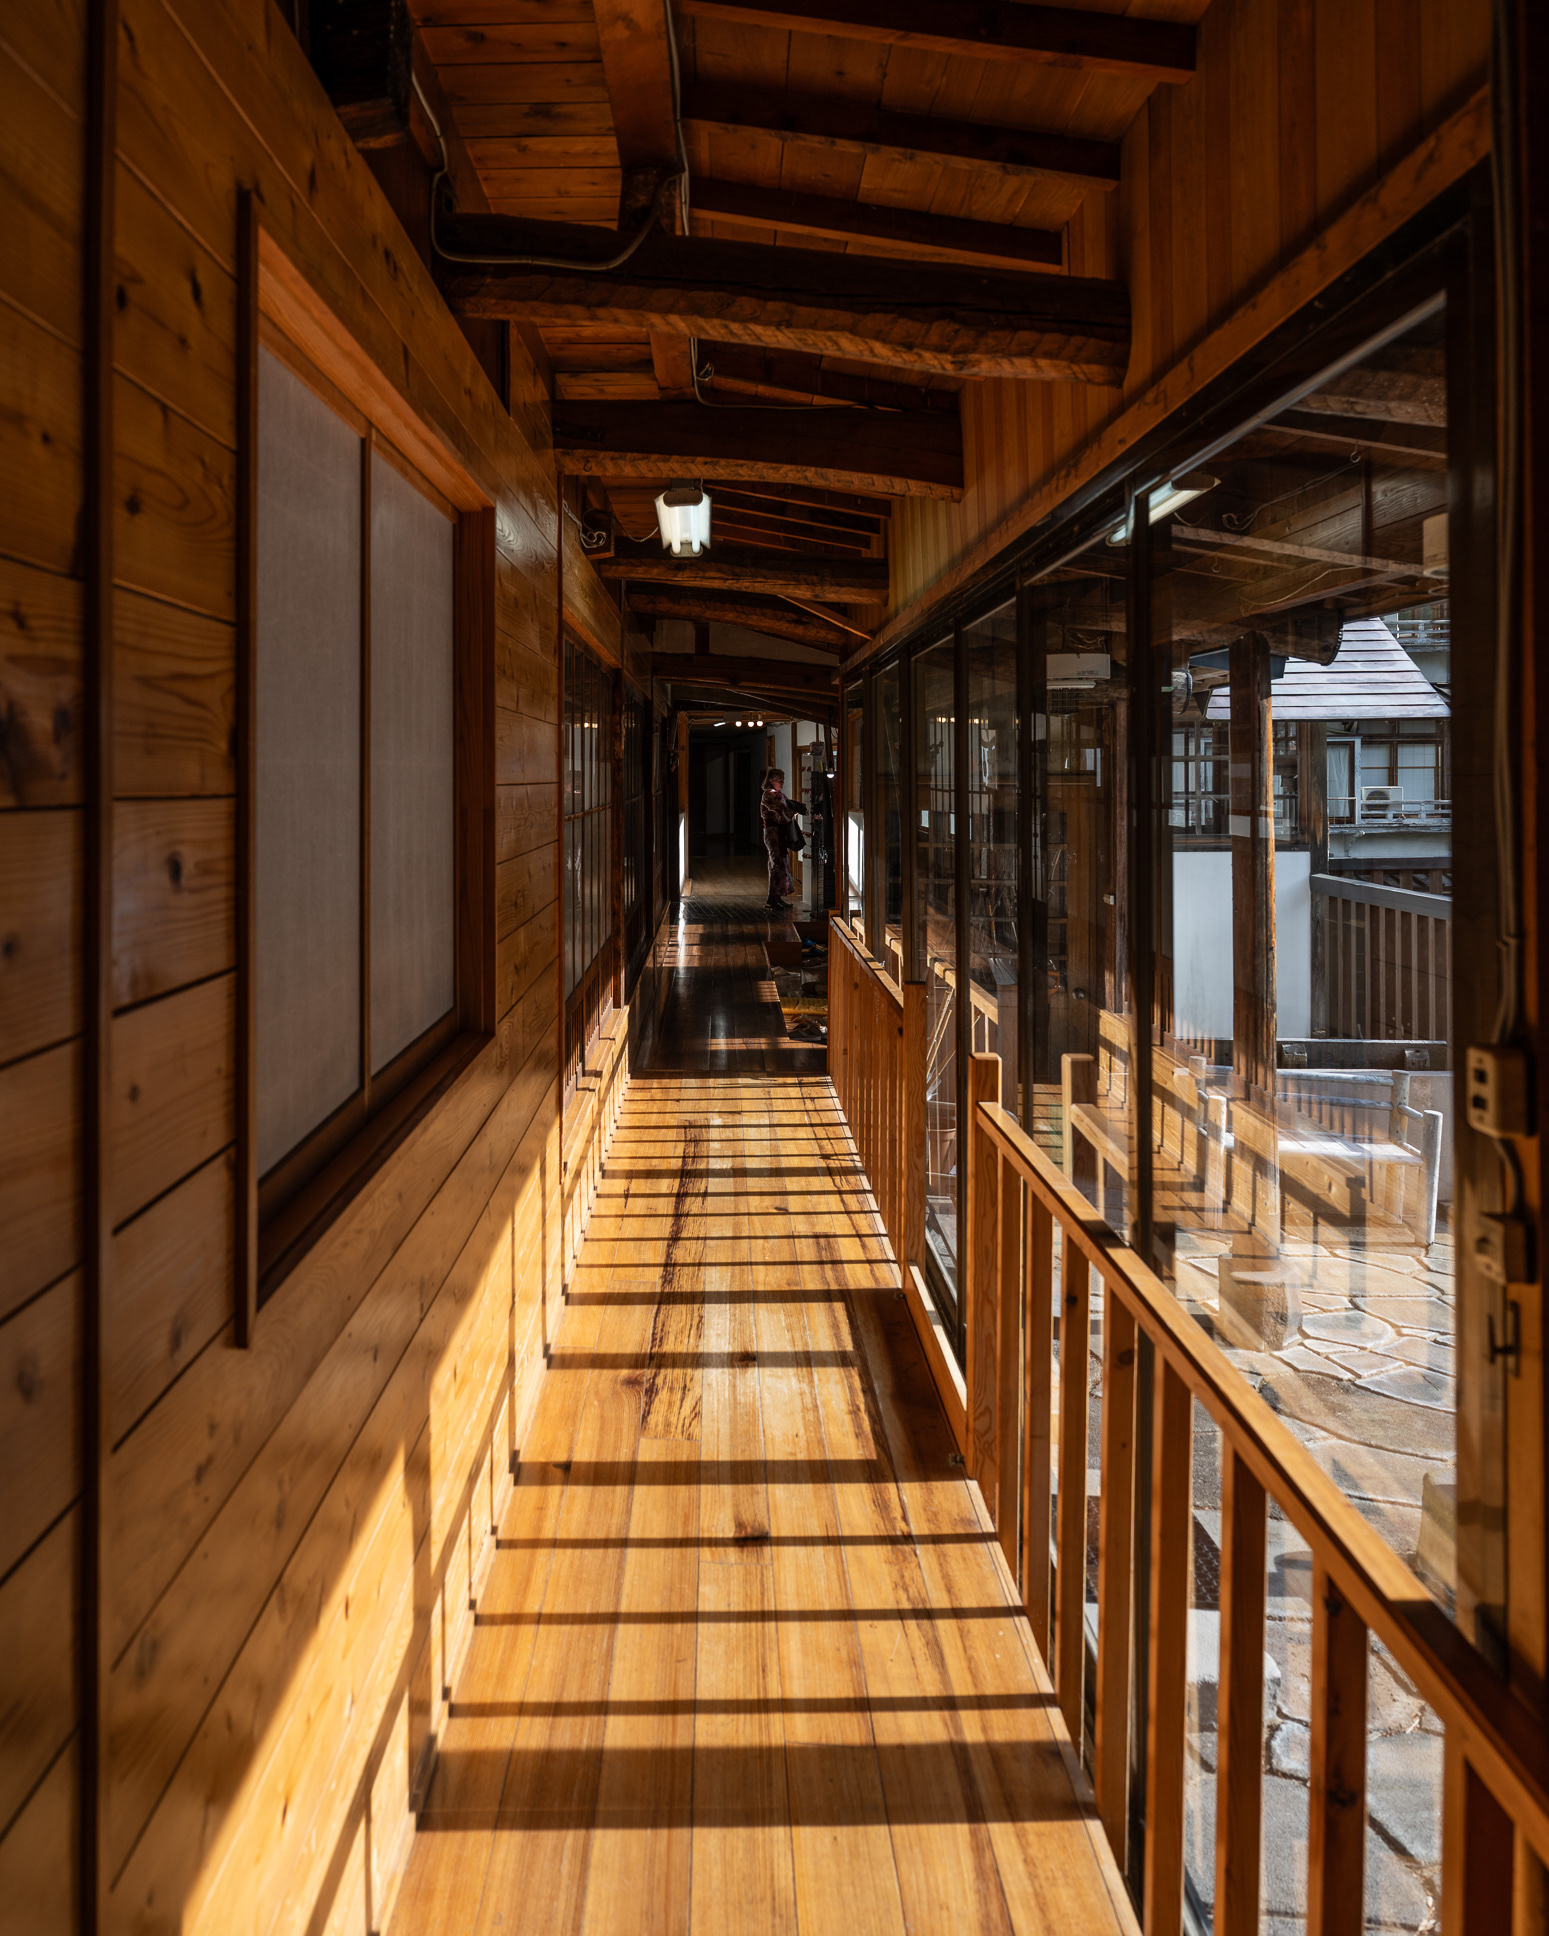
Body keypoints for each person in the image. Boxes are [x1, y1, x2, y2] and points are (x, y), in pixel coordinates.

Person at [760, 767, 805, 910]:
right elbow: (782, 812)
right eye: (779, 780)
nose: (782, 783)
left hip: (779, 833)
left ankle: (776, 897)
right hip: (773, 833)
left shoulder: (779, 795)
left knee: (781, 864)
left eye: (782, 780)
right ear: (771, 780)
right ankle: (771, 898)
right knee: (776, 864)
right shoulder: (769, 795)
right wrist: (794, 811)